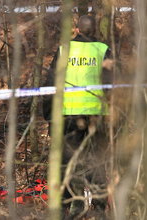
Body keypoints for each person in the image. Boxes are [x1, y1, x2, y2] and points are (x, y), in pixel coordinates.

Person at [42, 15, 112, 219]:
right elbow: (112, 83)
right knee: (96, 161)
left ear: (77, 28)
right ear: (95, 29)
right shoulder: (102, 49)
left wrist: (48, 114)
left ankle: (68, 206)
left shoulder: (65, 50)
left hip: (68, 117)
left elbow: (51, 83)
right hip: (95, 116)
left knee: (67, 162)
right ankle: (98, 207)